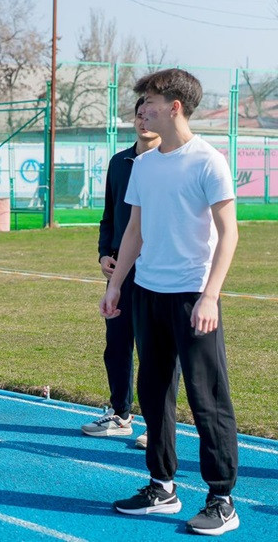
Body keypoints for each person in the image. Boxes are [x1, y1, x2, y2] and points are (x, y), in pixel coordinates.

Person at [101, 69, 240, 536]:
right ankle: (162, 485)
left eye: (149, 102)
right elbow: (134, 231)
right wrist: (116, 285)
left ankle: (221, 499)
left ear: (175, 106)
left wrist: (210, 296)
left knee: (207, 399)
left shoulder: (208, 161)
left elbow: (229, 233)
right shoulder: (143, 165)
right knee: (154, 393)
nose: (141, 110)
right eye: (141, 103)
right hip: (147, 294)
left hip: (192, 298)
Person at [84, 98, 161, 448]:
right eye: (139, 115)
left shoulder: (169, 163)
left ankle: (157, 423)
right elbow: (109, 216)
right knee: (116, 345)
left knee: (154, 349)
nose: (144, 121)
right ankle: (120, 413)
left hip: (155, 269)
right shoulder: (119, 162)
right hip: (120, 271)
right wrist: (104, 253)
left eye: (151, 114)